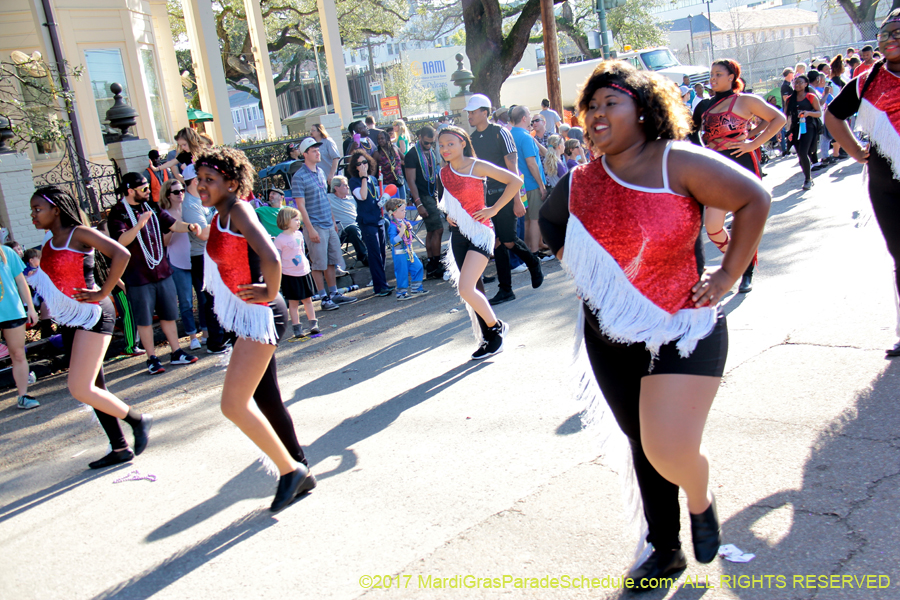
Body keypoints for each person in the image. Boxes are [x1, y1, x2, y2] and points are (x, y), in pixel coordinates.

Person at [538, 60, 770, 586]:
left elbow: (755, 198)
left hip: (683, 326)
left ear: (642, 110)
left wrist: (729, 273)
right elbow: (550, 221)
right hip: (609, 332)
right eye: (590, 106)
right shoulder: (578, 182)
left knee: (669, 447)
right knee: (643, 443)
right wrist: (589, 272)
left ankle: (699, 497)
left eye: (609, 103)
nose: (596, 114)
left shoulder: (677, 161)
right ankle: (664, 550)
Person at [194, 147, 315, 512]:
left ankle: (290, 471)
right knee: (266, 398)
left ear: (231, 183)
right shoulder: (219, 215)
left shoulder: (239, 209)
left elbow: (271, 256)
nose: (201, 186)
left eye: (209, 180)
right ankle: (299, 466)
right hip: (245, 314)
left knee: (233, 404)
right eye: (199, 179)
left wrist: (271, 290)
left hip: (261, 313)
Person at [29, 186, 154, 468]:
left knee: (80, 388)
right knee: (94, 387)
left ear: (56, 209)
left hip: (94, 315)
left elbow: (121, 253)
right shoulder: (49, 244)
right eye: (32, 211)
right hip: (72, 320)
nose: (33, 216)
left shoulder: (79, 233)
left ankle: (137, 419)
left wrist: (103, 291)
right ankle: (120, 447)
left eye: (38, 209)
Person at [827, 9, 900, 357]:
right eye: (885, 33)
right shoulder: (867, 80)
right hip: (885, 182)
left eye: (896, 33)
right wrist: (856, 151)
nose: (889, 40)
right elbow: (833, 115)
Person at [692, 59, 785, 293]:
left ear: (731, 76)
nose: (712, 78)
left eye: (718, 74)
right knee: (713, 227)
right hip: (715, 169)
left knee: (745, 223)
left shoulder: (746, 100)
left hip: (743, 165)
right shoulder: (703, 106)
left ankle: (746, 272)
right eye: (711, 74)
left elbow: (778, 119)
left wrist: (753, 142)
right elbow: (691, 134)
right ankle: (741, 263)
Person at [437, 126, 523, 359]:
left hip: (481, 232)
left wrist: (494, 209)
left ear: (463, 142)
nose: (445, 149)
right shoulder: (443, 172)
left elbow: (514, 181)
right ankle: (489, 337)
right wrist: (448, 214)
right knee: (471, 289)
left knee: (466, 288)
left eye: (450, 144)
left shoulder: (477, 166)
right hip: (458, 236)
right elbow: (445, 199)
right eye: (442, 145)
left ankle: (497, 327)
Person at [108, 172, 201, 374]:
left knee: (169, 314)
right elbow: (120, 241)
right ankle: (152, 358)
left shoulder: (150, 206)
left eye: (148, 187)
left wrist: (190, 227)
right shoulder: (118, 212)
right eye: (143, 188)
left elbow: (171, 224)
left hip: (162, 270)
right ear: (130, 191)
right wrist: (139, 224)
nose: (148, 191)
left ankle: (176, 352)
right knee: (145, 319)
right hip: (138, 276)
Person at [465, 94, 543, 305]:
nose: (469, 116)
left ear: (484, 112)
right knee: (497, 242)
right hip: (485, 196)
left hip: (506, 193)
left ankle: (533, 262)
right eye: (468, 112)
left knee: (508, 239)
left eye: (473, 112)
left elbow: (513, 169)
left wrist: (517, 200)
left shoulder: (501, 133)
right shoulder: (471, 139)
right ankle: (505, 289)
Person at [290, 137, 358, 311]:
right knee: (318, 263)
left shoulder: (320, 172)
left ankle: (334, 293)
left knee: (331, 261)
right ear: (305, 154)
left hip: (328, 223)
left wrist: (333, 220)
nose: (318, 152)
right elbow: (301, 205)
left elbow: (325, 199)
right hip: (315, 225)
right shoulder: (299, 177)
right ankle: (323, 297)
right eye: (314, 150)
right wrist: (309, 228)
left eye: (318, 150)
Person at [159, 178, 203, 351]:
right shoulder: (165, 214)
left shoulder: (191, 208)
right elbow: (165, 242)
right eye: (176, 192)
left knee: (203, 297)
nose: (181, 194)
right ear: (168, 195)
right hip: (177, 261)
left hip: (196, 257)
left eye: (182, 190)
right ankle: (192, 336)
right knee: (185, 301)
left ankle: (205, 332)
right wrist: (172, 227)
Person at [0, 239, 39, 409]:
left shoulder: (7, 253)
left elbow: (21, 282)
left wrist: (30, 308)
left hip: (12, 311)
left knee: (18, 354)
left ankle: (23, 396)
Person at [347, 150, 392, 297]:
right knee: (374, 254)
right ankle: (380, 286)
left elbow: (376, 196)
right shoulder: (354, 181)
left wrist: (382, 200)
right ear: (355, 167)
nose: (363, 166)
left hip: (378, 219)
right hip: (367, 222)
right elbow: (363, 196)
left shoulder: (373, 178)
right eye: (359, 164)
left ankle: (381, 283)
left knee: (382, 253)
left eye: (365, 162)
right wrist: (364, 178)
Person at [404, 126, 445, 279]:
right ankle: (436, 262)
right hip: (422, 196)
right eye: (426, 143)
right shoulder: (412, 155)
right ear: (419, 137)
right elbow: (411, 181)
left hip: (432, 193)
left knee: (432, 230)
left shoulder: (431, 152)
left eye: (431, 143)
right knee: (438, 229)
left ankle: (432, 265)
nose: (429, 146)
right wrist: (418, 203)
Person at [273, 207, 318, 338]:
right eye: (295, 219)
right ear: (286, 220)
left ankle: (313, 323)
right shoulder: (279, 240)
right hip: (289, 275)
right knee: (293, 303)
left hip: (304, 272)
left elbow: (301, 251)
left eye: (299, 220)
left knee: (308, 300)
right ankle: (297, 327)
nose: (298, 222)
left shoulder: (299, 234)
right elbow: (278, 259)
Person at [509, 105, 548, 255]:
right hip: (531, 184)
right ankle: (534, 251)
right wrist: (541, 185)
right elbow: (531, 164)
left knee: (524, 221)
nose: (531, 120)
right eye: (529, 117)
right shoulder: (525, 137)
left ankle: (527, 251)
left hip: (517, 185)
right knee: (535, 219)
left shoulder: (509, 134)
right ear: (524, 118)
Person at [385, 197, 428, 300]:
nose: (405, 212)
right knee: (402, 272)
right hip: (399, 253)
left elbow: (408, 236)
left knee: (418, 266)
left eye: (404, 210)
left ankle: (416, 288)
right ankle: (401, 293)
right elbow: (393, 241)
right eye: (402, 210)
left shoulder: (403, 221)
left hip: (409, 251)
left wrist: (409, 228)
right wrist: (401, 232)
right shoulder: (393, 226)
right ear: (394, 213)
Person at [785, 74, 822, 190]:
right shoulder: (790, 99)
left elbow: (819, 113)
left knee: (803, 152)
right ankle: (808, 176)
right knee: (800, 155)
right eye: (795, 82)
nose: (797, 85)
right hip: (795, 129)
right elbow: (786, 115)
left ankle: (807, 179)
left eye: (800, 82)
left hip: (809, 126)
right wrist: (784, 129)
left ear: (806, 84)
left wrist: (808, 113)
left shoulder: (811, 97)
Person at [373, 130, 405, 199]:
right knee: (391, 207)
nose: (380, 140)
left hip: (399, 181)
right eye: (378, 139)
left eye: (382, 138)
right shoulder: (377, 153)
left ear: (387, 138)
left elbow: (405, 159)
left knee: (402, 204)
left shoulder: (394, 148)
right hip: (387, 185)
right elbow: (373, 169)